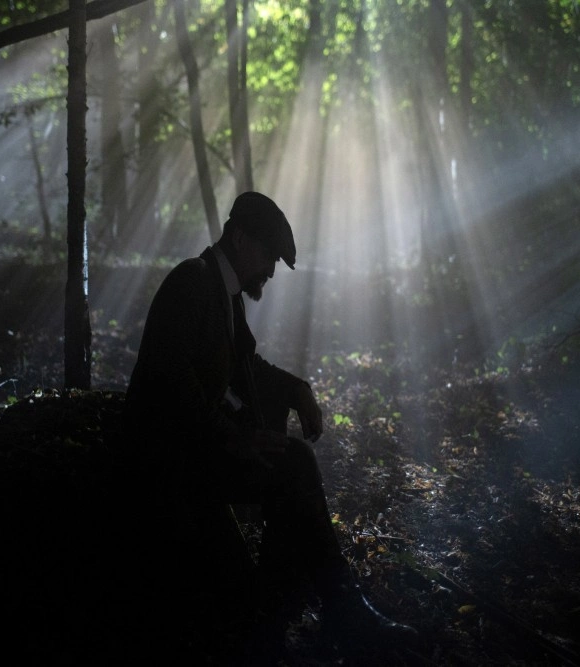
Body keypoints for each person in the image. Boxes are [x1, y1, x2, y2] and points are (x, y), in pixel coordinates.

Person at [123, 191, 417, 660]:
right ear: (240, 239)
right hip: (163, 463)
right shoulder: (192, 284)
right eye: (268, 256)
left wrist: (297, 389)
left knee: (287, 462)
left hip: (189, 452)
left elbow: (245, 368)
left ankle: (285, 610)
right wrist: (230, 436)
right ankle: (334, 614)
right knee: (292, 463)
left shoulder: (223, 295)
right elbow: (169, 383)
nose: (271, 271)